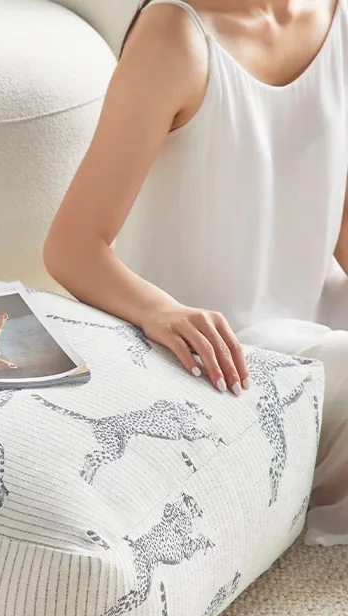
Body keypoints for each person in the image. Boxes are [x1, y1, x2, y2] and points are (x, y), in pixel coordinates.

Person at [43, 0, 348, 545]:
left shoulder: (338, 18)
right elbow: (71, 247)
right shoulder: (175, 35)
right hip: (214, 352)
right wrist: (161, 311)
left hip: (311, 311)